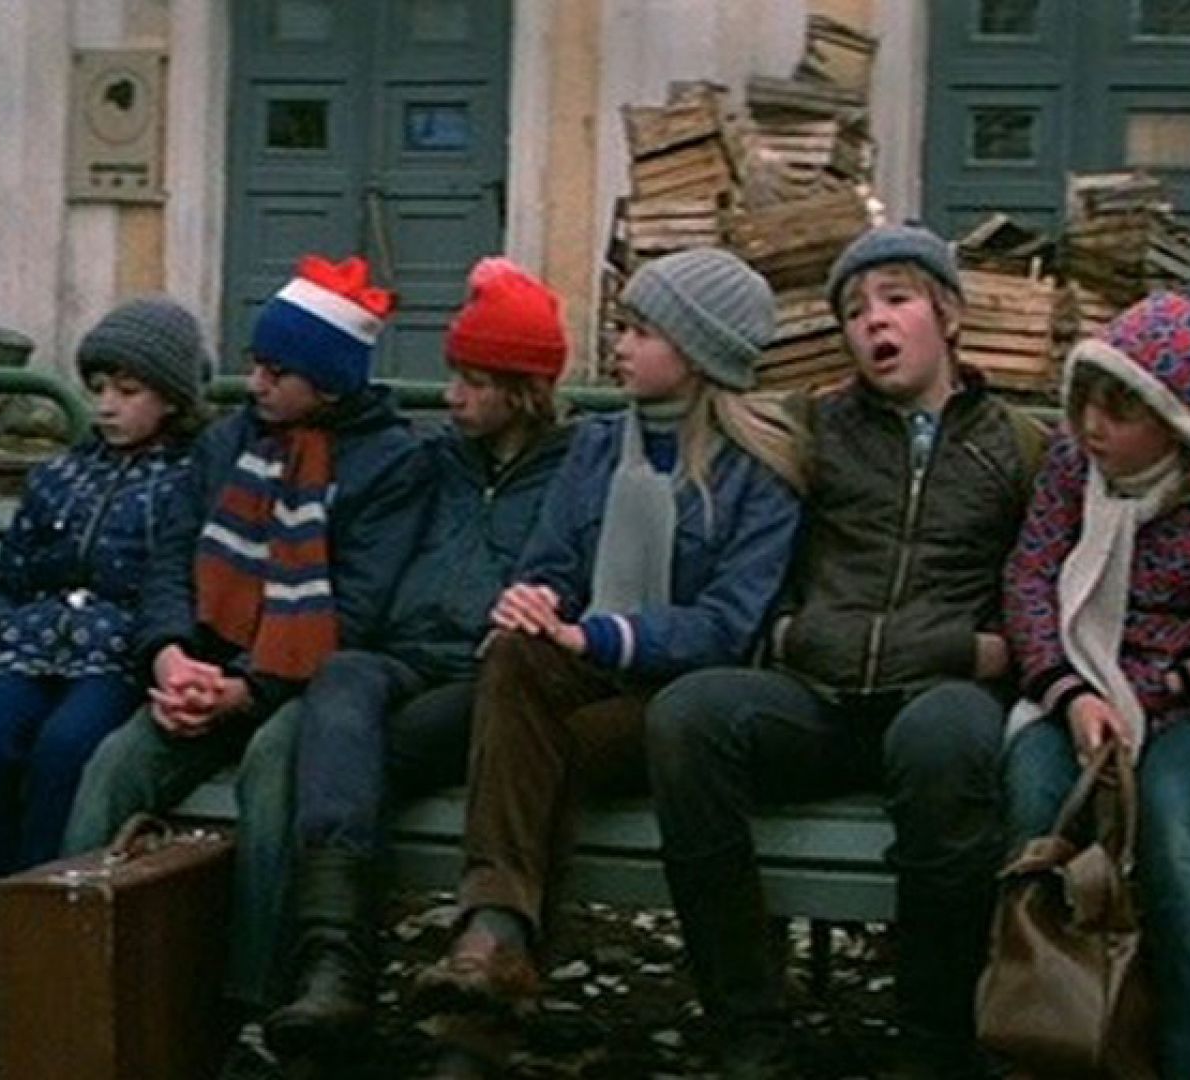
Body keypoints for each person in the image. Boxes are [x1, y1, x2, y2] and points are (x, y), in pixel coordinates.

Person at [644, 225, 1045, 1079]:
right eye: (854, 312)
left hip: (936, 696)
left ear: (948, 315)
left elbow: (1034, 586)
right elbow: (751, 530)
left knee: (946, 740)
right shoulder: (812, 428)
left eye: (895, 299)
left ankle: (931, 1039)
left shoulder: (1013, 444)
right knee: (689, 716)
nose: (873, 322)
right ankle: (748, 1020)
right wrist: (790, 632)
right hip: (817, 697)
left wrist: (981, 650)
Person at [407, 248, 805, 1069]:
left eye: (639, 331)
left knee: (546, 749)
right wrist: (534, 602)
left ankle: (483, 998)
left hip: (680, 705)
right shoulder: (593, 447)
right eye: (621, 327)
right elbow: (551, 564)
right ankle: (495, 936)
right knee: (513, 657)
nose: (616, 345)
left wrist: (600, 636)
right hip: (577, 673)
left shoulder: (758, 472)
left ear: (697, 351)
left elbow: (729, 624)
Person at [236, 258, 574, 1064]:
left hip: (488, 675)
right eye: (453, 377)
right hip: (402, 654)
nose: (451, 396)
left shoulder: (572, 469)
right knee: (343, 679)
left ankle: (362, 976)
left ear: (522, 391)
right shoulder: (436, 460)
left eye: (472, 382)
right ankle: (334, 965)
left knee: (355, 751)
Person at [0, 297, 213, 1065]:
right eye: (99, 387)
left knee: (67, 751)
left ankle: (39, 952)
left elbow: (178, 587)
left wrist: (152, 649)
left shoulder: (190, 481)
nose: (107, 405)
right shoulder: (59, 475)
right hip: (30, 650)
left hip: (119, 658)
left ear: (172, 398)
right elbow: (8, 576)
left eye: (128, 391)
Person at [62, 255, 427, 854]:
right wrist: (170, 658)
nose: (256, 384)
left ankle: (263, 921)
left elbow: (360, 605)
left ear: (328, 384)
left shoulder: (391, 463)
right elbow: (173, 561)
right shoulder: (228, 442)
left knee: (272, 771)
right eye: (256, 365)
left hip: (303, 681)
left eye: (276, 373)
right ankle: (72, 912)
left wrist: (249, 690)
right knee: (115, 765)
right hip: (204, 668)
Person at [1003, 292, 1190, 1080]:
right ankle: (1040, 1036)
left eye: (1120, 412)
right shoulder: (1070, 468)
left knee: (1176, 821)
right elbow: (1030, 577)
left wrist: (1173, 685)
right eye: (1085, 402)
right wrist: (1068, 692)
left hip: (1184, 707)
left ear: (1175, 420)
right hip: (1071, 686)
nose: (1093, 427)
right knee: (1036, 803)